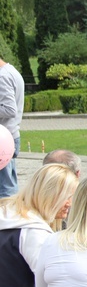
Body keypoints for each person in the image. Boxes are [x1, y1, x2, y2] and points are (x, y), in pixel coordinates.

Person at [0, 164, 78, 287]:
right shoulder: (34, 233)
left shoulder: (7, 212)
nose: (70, 204)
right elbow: (51, 284)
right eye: (67, 197)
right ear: (50, 195)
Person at [0, 56, 24, 197]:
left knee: (5, 189)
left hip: (4, 140)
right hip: (10, 136)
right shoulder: (10, 70)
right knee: (7, 184)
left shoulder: (2, 77)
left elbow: (10, 109)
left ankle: (7, 218)